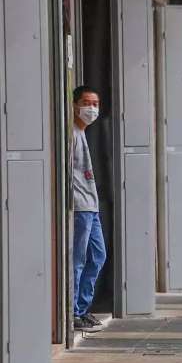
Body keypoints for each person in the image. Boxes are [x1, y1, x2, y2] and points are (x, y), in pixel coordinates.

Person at [72, 86, 107, 331]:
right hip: (79, 206)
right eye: (86, 103)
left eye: (95, 104)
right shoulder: (72, 134)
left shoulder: (82, 133)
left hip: (90, 206)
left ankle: (82, 308)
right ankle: (74, 312)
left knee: (98, 256)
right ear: (74, 105)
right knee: (78, 260)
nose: (91, 109)